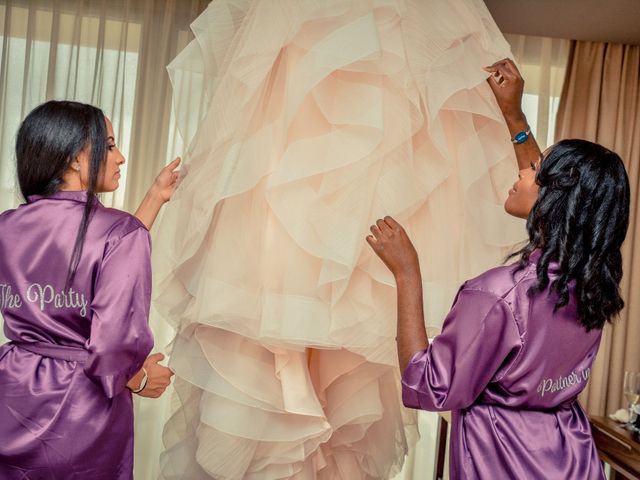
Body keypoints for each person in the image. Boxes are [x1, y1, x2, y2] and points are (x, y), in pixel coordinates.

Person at [367, 58, 630, 479]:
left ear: (554, 201)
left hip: (504, 462)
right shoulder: (590, 284)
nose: (523, 171)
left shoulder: (498, 295)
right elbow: (561, 193)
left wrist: (406, 272)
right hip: (572, 460)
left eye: (536, 172)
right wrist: (514, 114)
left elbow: (427, 387)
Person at [0, 100, 179, 479]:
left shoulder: (7, 226)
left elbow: (86, 259)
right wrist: (139, 375)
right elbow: (113, 346)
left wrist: (154, 198)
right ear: (75, 159)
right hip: (80, 412)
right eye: (110, 144)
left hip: (11, 396)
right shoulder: (119, 234)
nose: (121, 157)